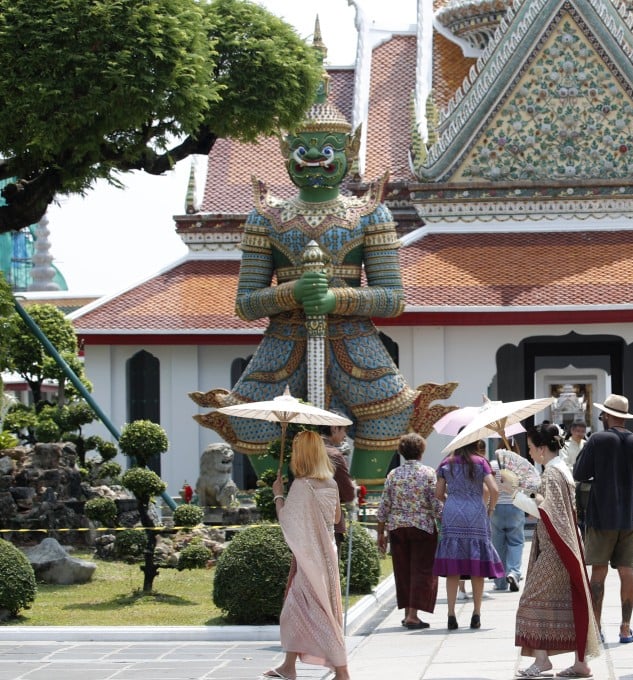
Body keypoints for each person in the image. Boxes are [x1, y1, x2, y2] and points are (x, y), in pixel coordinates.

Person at [190, 35, 451, 487]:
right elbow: (246, 302)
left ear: (348, 152)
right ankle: (276, 504)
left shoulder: (370, 212)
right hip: (286, 337)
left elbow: (393, 299)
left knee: (389, 417)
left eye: (327, 151)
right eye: (303, 152)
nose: (314, 160)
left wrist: (335, 298)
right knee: (249, 419)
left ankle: (362, 506)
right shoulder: (266, 217)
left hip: (353, 338)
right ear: (286, 154)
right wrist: (292, 292)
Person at [501, 422, 600, 678]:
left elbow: (547, 513)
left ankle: (544, 660)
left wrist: (514, 494)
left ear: (543, 449)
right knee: (565, 602)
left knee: (531, 601)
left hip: (557, 547)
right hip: (562, 542)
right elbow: (550, 507)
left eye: (532, 448)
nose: (530, 453)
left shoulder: (552, 474)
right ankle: (579, 664)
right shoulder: (560, 470)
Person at [267, 431, 349, 680]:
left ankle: (343, 672)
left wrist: (278, 494)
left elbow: (288, 521)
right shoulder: (331, 483)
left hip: (311, 559)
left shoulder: (302, 486)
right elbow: (336, 519)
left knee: (317, 613)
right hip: (326, 556)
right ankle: (288, 666)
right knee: (298, 610)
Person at [572, 394, 633, 645]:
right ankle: (625, 628)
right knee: (627, 571)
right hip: (628, 516)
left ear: (607, 415)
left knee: (599, 572)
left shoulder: (598, 439)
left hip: (601, 515)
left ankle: (596, 626)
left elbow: (580, 473)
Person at [433, 440, 505, 630]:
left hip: (453, 512)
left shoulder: (446, 463)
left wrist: (453, 499)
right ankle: (476, 613)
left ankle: (450, 614)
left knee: (453, 566)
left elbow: (438, 494)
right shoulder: (481, 462)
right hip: (476, 512)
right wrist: (490, 508)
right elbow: (494, 490)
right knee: (477, 565)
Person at [376, 433, 443, 630]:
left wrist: (381, 532)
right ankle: (413, 615)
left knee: (403, 570)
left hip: (397, 528)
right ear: (421, 451)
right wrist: (444, 519)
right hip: (422, 527)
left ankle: (407, 613)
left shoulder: (393, 475)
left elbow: (384, 505)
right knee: (421, 570)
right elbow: (435, 503)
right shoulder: (428, 473)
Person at [490, 439, 539, 593]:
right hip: (515, 505)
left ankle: (500, 581)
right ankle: (514, 573)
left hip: (496, 507)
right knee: (516, 542)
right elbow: (527, 489)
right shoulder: (519, 467)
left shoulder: (492, 465)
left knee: (497, 544)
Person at [322, 424, 357, 544]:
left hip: (304, 520)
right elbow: (349, 494)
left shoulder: (304, 452)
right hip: (329, 519)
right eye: (344, 430)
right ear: (334, 428)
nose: (345, 435)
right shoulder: (333, 455)